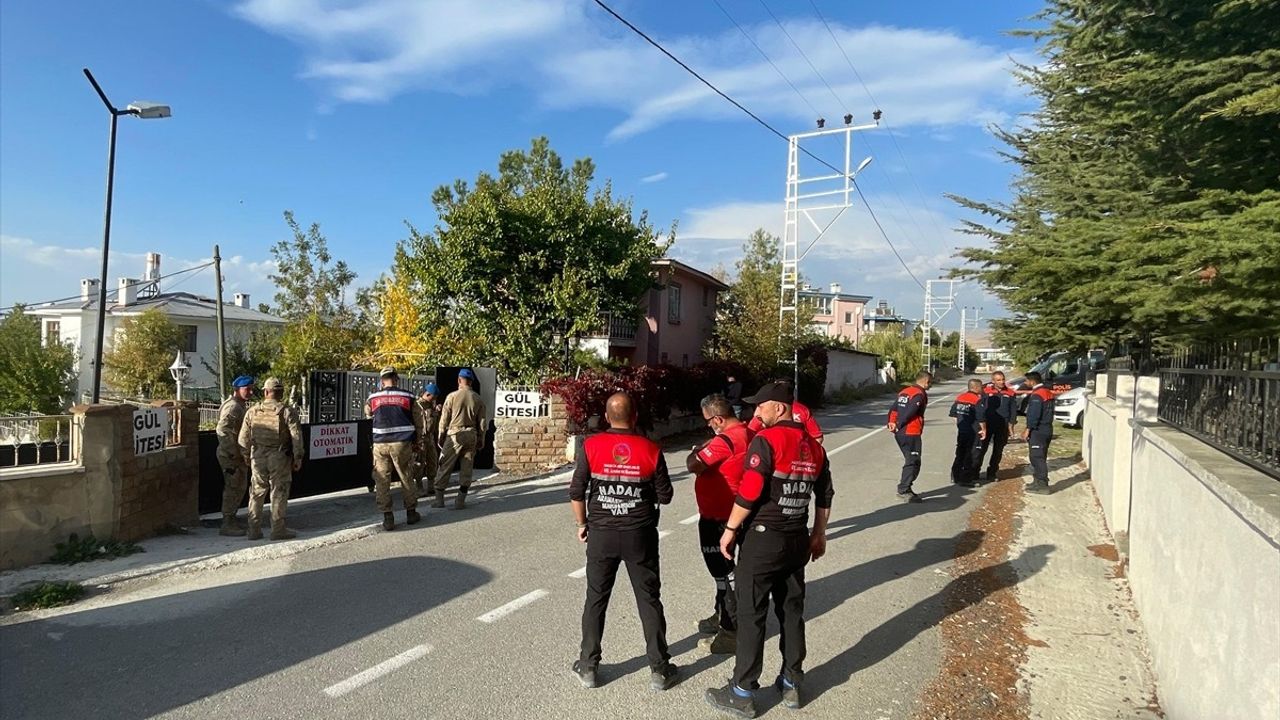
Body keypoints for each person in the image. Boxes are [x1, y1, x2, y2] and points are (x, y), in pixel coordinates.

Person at [705, 381, 832, 716]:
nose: (755, 413)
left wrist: (730, 530)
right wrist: (819, 534)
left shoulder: (768, 440)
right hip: (797, 539)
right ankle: (792, 682)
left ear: (779, 407)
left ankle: (742, 691)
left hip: (763, 539)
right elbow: (825, 494)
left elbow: (750, 491)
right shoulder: (814, 448)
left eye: (760, 407)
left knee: (751, 615)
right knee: (791, 612)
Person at [569, 392, 678, 692]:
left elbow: (576, 491)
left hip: (601, 534)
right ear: (635, 416)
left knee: (596, 598)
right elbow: (666, 496)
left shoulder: (591, 446)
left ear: (606, 417)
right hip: (639, 535)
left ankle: (589, 666)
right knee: (648, 599)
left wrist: (582, 525)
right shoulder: (651, 450)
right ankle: (659, 669)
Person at [685, 393, 753, 655]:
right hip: (735, 512)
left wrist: (698, 451)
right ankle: (721, 613)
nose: (707, 426)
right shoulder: (747, 433)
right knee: (726, 574)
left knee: (724, 573)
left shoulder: (725, 440)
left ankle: (731, 630)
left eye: (708, 421)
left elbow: (694, 464)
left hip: (718, 517)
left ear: (718, 419)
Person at [237, 377, 303, 540]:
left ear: (266, 392)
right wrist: (298, 457)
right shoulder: (287, 411)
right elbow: (296, 436)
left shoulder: (253, 411)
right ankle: (278, 530)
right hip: (279, 457)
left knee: (257, 493)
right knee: (278, 493)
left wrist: (246, 455)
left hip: (257, 456)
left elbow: (243, 438)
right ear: (280, 393)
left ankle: (253, 530)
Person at [365, 367, 425, 531]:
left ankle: (388, 517)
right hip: (402, 443)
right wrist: (418, 440)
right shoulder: (408, 396)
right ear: (396, 378)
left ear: (382, 381)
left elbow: (368, 414)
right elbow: (419, 420)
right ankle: (411, 513)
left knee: (382, 480)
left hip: (380, 444)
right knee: (406, 476)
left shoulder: (372, 397)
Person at [434, 368, 487, 509]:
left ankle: (439, 500)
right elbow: (482, 422)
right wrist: (481, 438)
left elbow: (444, 418)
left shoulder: (452, 396)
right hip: (471, 434)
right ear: (471, 382)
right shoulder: (478, 398)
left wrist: (441, 434)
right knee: (467, 467)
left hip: (455, 434)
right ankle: (460, 500)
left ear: (459, 380)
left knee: (445, 465)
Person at [215, 375, 255, 536]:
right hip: (230, 456)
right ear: (237, 390)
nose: (250, 392)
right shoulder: (233, 407)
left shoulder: (239, 405)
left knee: (239, 487)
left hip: (236, 455)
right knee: (233, 487)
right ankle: (227, 523)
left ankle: (231, 518)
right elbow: (222, 430)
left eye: (252, 389)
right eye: (247, 389)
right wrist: (233, 453)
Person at [887, 370, 933, 503]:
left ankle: (905, 487)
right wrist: (899, 424)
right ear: (926, 382)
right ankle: (904, 489)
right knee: (913, 461)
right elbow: (910, 412)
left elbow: (894, 409)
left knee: (911, 459)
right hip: (910, 432)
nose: (931, 386)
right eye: (930, 383)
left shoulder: (905, 391)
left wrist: (891, 422)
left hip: (900, 433)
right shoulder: (919, 394)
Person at [748, 381, 823, 444]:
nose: (756, 413)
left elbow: (750, 433)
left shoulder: (766, 410)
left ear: (779, 409)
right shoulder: (803, 409)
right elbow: (817, 437)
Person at [975, 370, 1017, 483]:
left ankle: (992, 473)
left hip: (1002, 425)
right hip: (987, 425)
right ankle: (975, 472)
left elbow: (1013, 411)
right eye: (998, 380)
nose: (1002, 382)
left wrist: (1011, 426)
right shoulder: (985, 391)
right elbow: (979, 407)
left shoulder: (1010, 393)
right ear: (993, 381)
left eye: (1003, 379)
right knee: (981, 449)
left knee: (998, 450)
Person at [948, 379, 986, 488]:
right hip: (973, 432)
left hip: (962, 431)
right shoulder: (977, 400)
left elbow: (953, 414)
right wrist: (983, 430)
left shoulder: (960, 397)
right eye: (981, 387)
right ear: (977, 388)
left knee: (960, 453)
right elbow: (981, 417)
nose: (982, 389)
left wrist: (960, 426)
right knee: (972, 455)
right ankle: (966, 479)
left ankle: (955, 476)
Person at [1022, 371, 1056, 494]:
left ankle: (1042, 484)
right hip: (1047, 428)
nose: (1025, 383)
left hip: (1039, 430)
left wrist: (1028, 429)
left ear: (1032, 381)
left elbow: (1034, 414)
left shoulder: (1037, 395)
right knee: (1041, 455)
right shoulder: (1048, 392)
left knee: (1036, 457)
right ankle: (1037, 481)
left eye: (1026, 381)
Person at [415, 383, 442, 493]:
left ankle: (431, 486)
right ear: (427, 394)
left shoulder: (432, 406)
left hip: (430, 438)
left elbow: (435, 423)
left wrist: (437, 412)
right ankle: (419, 486)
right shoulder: (416, 405)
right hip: (420, 438)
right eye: (433, 397)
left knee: (432, 461)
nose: (434, 399)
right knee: (419, 463)